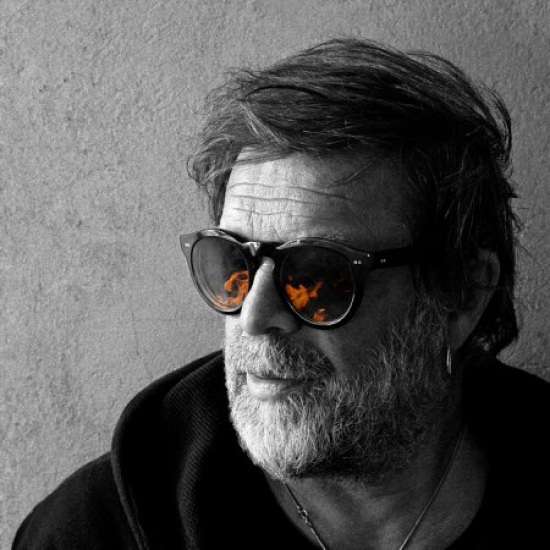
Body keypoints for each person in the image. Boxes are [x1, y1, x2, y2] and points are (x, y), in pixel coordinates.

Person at [13, 38, 550, 550]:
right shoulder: (89, 533)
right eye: (234, 263)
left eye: (318, 276)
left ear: (460, 295)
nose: (254, 316)